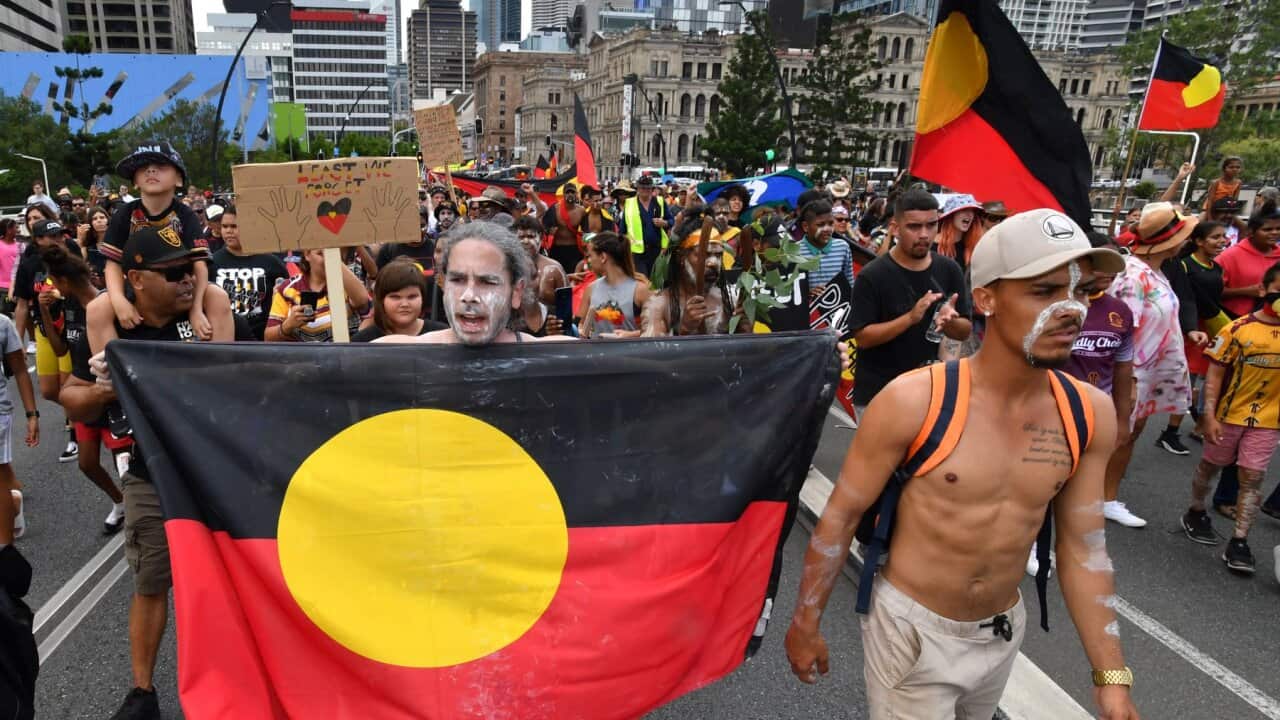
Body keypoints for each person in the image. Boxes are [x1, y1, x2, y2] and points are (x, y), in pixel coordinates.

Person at [785, 208, 1136, 720]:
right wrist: (805, 622)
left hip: (1001, 634)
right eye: (1045, 291)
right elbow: (839, 517)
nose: (1070, 310)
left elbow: (1084, 549)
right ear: (987, 299)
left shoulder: (1087, 412)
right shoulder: (914, 401)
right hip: (911, 634)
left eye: (1080, 292)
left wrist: (1111, 678)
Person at [69, 225, 234, 720]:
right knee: (150, 579)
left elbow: (231, 383)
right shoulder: (106, 315)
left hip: (216, 466)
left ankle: (232, 678)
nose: (188, 280)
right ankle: (142, 692)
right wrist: (106, 387)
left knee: (223, 581)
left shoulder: (213, 304)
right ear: (136, 279)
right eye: (173, 273)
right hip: (150, 467)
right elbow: (73, 398)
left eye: (191, 269)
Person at [1182, 260, 1280, 575]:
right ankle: (1196, 510)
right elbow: (1215, 372)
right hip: (1228, 416)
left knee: (1252, 477)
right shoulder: (1237, 329)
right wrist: (1207, 416)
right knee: (1210, 466)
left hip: (1268, 421)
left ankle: (1239, 541)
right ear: (1263, 290)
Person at [1104, 202, 1196, 528]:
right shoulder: (1131, 275)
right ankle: (1094, 498)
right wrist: (1125, 383)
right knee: (1117, 434)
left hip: (1146, 370)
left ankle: (1106, 497)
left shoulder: (1155, 272)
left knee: (1130, 433)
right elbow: (1122, 329)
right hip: (1131, 372)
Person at [1048, 232, 1136, 552]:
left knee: (1083, 482)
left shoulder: (1122, 312)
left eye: (1114, 267)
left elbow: (1124, 366)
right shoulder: (1057, 307)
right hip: (1053, 409)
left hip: (1096, 412)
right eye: (1099, 266)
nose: (1108, 274)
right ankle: (1029, 540)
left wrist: (1123, 418)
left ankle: (1075, 541)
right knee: (1045, 479)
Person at [848, 190, 971, 414]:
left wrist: (951, 323)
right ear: (895, 228)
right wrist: (910, 318)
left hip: (930, 394)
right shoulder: (873, 275)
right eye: (914, 227)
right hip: (879, 396)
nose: (924, 234)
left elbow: (964, 330)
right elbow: (863, 338)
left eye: (931, 225)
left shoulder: (949, 270)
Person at [100, 141, 225, 343]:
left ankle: (222, 364)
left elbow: (200, 265)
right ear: (135, 181)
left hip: (180, 287)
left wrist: (196, 309)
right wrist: (118, 300)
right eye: (143, 167)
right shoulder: (124, 214)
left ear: (179, 179)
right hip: (138, 290)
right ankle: (107, 371)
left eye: (162, 166)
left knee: (218, 297)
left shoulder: (186, 215)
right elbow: (113, 263)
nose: (151, 170)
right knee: (98, 308)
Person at [374, 222, 573, 346]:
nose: (469, 295)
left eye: (487, 281)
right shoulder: (395, 356)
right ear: (443, 284)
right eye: (458, 280)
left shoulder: (552, 359)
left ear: (516, 293)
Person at [41, 247, 126, 534]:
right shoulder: (68, 305)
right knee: (87, 463)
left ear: (63, 281)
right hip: (86, 395)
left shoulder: (106, 303)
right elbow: (61, 348)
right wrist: (43, 309)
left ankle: (142, 514)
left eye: (54, 282)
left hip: (111, 396)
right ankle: (120, 502)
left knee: (125, 465)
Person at [12, 219, 80, 463]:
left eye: (60, 235)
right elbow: (21, 304)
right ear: (38, 240)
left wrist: (60, 295)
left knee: (68, 386)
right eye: (52, 237)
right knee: (50, 390)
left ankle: (76, 436)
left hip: (72, 328)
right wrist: (17, 341)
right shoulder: (30, 264)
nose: (58, 241)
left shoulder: (71, 255)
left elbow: (84, 287)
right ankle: (86, 412)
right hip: (44, 330)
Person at [1157, 221, 1229, 453]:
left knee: (1199, 381)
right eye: (1215, 237)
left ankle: (1195, 422)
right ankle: (1170, 432)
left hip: (1207, 331)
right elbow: (1184, 300)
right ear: (1198, 241)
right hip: (1188, 332)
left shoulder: (1215, 268)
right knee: (1186, 381)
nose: (1222, 241)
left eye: (1223, 236)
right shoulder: (1184, 266)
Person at [641, 219, 735, 337]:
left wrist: (745, 329)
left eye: (718, 255)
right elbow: (652, 352)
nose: (714, 263)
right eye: (704, 255)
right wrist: (684, 329)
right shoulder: (659, 305)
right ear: (681, 257)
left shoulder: (730, 300)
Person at [209, 206, 290, 341]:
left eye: (234, 226)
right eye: (224, 226)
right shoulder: (212, 262)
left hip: (264, 339)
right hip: (226, 340)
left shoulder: (271, 262)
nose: (228, 231)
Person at [265, 248, 371, 343]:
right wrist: (288, 325)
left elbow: (362, 300)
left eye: (333, 253)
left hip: (342, 357)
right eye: (321, 253)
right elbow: (268, 338)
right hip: (302, 359)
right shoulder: (287, 288)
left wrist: (334, 259)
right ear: (307, 254)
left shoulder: (346, 283)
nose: (327, 259)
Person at [0, 305, 39, 542]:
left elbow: (21, 371)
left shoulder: (3, 324)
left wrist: (32, 415)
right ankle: (12, 502)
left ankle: (5, 550)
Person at [351, 260, 446, 342]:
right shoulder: (362, 342)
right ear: (382, 299)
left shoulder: (443, 336)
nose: (404, 304)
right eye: (395, 297)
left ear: (422, 298)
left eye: (412, 297)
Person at [580, 232, 650, 338]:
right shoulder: (591, 289)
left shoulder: (640, 290)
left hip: (630, 353)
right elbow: (581, 324)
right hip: (595, 353)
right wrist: (581, 330)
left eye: (590, 256)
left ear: (603, 257)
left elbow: (656, 329)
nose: (588, 261)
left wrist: (631, 335)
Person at [621, 175, 675, 276]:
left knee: (656, 281)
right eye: (642, 187)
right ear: (637, 188)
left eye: (648, 188)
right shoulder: (629, 203)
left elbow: (671, 220)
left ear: (652, 189)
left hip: (658, 250)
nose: (645, 190)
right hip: (637, 252)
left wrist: (665, 223)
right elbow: (622, 229)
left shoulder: (660, 201)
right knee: (642, 280)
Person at [797, 200, 855, 292]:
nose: (827, 229)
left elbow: (850, 284)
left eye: (831, 223)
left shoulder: (843, 247)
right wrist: (806, 294)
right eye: (820, 224)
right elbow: (790, 293)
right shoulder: (794, 252)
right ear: (805, 226)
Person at [934, 193, 984, 268]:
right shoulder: (932, 246)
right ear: (951, 215)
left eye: (972, 210)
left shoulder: (975, 245)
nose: (969, 214)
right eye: (964, 210)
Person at [76, 206, 111, 288]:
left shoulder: (118, 243)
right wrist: (80, 240)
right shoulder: (88, 248)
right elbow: (77, 265)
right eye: (94, 219)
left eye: (102, 217)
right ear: (90, 224)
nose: (99, 220)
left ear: (108, 220)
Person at [0, 220, 20, 316]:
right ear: (8, 230)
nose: (18, 230)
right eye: (16, 228)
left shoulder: (21, 245)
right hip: (2, 288)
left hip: (18, 287)